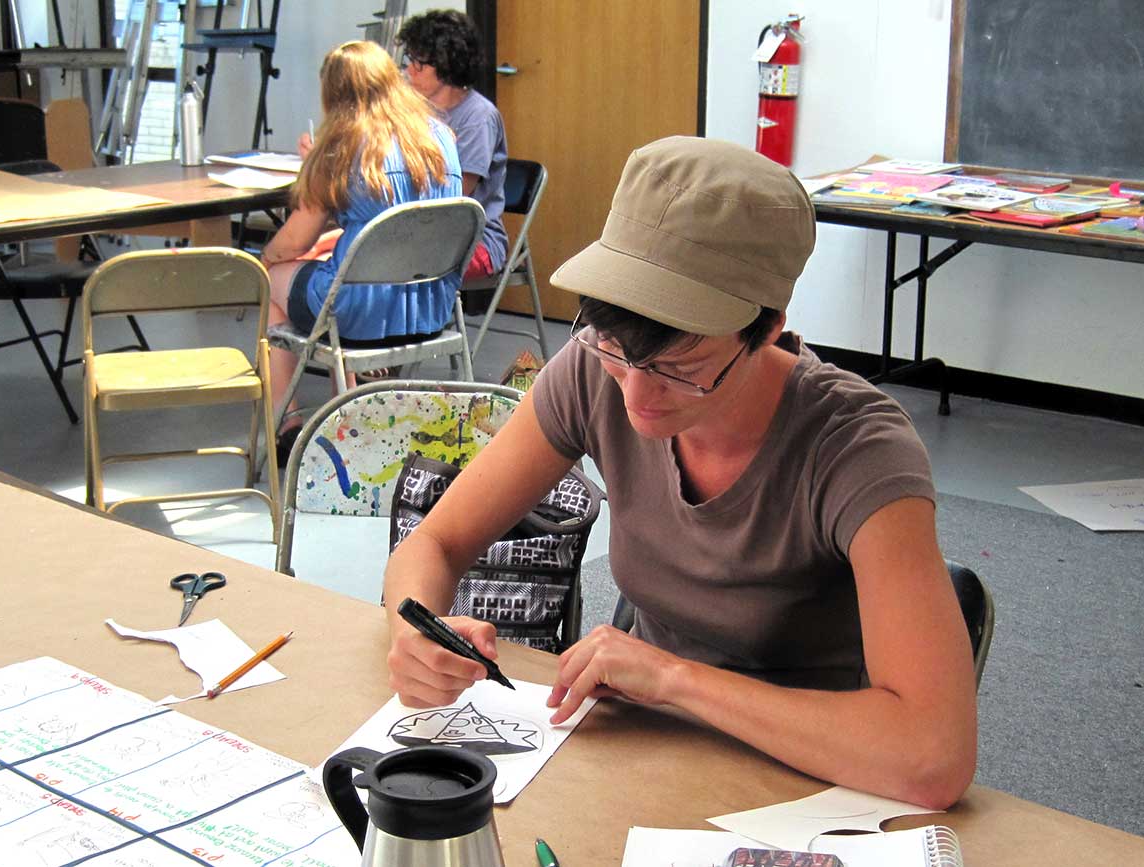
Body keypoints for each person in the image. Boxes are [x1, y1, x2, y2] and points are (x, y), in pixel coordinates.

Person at [382, 137, 978, 809]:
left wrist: (672, 677)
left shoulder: (858, 449)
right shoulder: (592, 370)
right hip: (647, 757)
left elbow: (932, 754)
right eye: (614, 348)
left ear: (768, 327)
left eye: (680, 370)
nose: (635, 396)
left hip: (808, 789)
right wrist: (414, 630)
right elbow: (434, 542)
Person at [259, 40, 464, 456]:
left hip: (359, 317)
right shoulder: (442, 138)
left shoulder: (342, 149)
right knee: (334, 268)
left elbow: (293, 241)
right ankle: (350, 415)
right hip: (432, 309)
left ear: (333, 95)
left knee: (270, 282)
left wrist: (267, 258)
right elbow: (396, 226)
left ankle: (288, 424)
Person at [397, 10, 508, 284]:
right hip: (414, 230)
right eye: (408, 60)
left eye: (418, 64)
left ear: (446, 65)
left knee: (385, 262)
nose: (408, 71)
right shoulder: (415, 109)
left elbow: (452, 197)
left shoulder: (478, 118)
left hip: (471, 241)